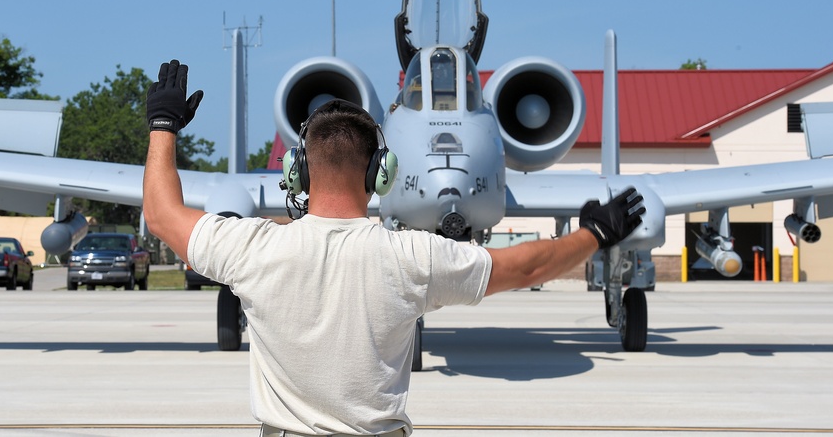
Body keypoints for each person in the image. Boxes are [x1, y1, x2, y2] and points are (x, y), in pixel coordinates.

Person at [142, 59, 645, 437]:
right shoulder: (414, 257)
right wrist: (596, 234)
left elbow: (163, 215)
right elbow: (525, 265)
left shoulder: (251, 248)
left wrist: (163, 128)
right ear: (379, 174)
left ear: (297, 171)